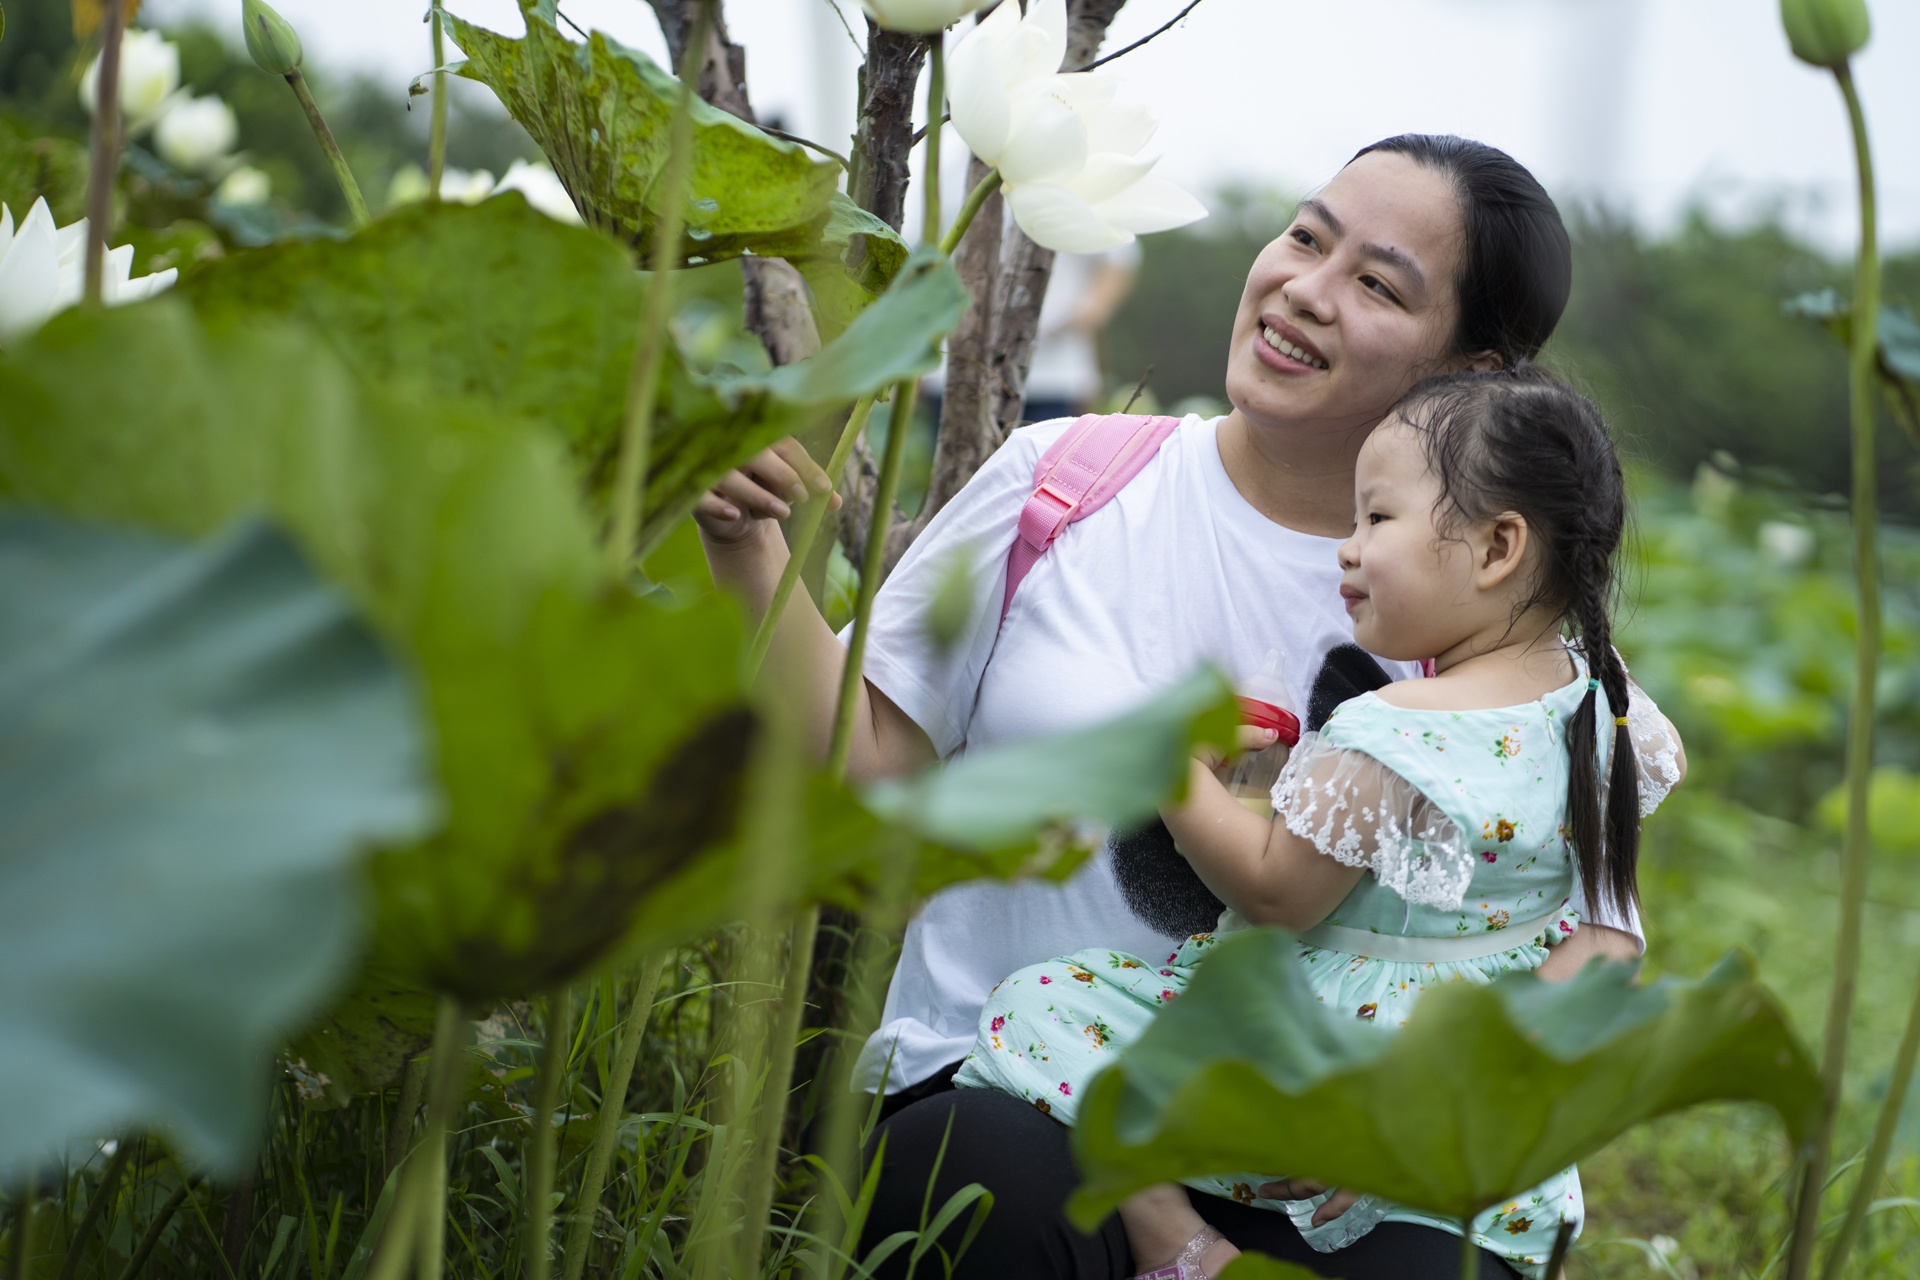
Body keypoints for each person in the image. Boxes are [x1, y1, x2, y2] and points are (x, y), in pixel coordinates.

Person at [695, 135, 1664, 1277]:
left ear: (1473, 371)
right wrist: (750, 547)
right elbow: (862, 761)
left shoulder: (1485, 619)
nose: (1304, 287)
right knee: (977, 1190)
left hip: (1344, 1157)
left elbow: (1594, 933)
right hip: (1031, 1093)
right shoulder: (1062, 480)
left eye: (1376, 282)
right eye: (1307, 237)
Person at [953, 367, 1686, 1280]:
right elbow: (1609, 942)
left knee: (1042, 1011)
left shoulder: (1395, 729)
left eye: (1376, 520)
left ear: (1498, 548)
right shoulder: (1602, 702)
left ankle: (1177, 1248)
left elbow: (1275, 890)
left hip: (1310, 1072)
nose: (1346, 548)